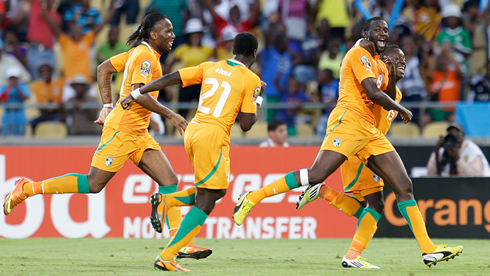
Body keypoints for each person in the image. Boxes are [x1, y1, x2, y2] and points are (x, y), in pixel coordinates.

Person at [232, 16, 463, 268]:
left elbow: (384, 94)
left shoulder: (378, 64)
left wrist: (393, 78)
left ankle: (428, 249)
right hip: (349, 121)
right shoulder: (358, 54)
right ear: (366, 33)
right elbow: (375, 94)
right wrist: (403, 110)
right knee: (318, 174)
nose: (383, 33)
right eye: (377, 30)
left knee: (402, 185)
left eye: (386, 30)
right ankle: (253, 197)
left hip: (370, 132)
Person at [3, 12, 209, 261]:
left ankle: (179, 244)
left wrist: (107, 105)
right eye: (168, 31)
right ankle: (27, 188)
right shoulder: (145, 56)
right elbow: (139, 93)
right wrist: (171, 115)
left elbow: (104, 69)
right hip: (122, 131)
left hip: (138, 132)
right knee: (94, 184)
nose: (173, 35)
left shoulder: (139, 53)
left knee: (169, 180)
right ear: (154, 34)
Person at [119, 32, 264, 272]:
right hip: (213, 134)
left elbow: (172, 78)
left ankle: (168, 201)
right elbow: (247, 124)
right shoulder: (252, 79)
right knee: (207, 202)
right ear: (254, 54)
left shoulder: (210, 66)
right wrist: (258, 98)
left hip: (193, 129)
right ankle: (167, 255)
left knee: (215, 192)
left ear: (232, 51)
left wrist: (136, 93)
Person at [297, 45, 405, 268]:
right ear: (383, 62)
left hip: (370, 146)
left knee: (367, 206)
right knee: (375, 205)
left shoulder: (396, 94)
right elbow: (371, 103)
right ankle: (353, 255)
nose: (400, 64)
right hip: (364, 147)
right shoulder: (374, 88)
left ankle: (323, 192)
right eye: (395, 60)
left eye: (403, 61)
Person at [0, 66, 30, 136]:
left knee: (19, 138)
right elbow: (1, 99)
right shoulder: (4, 87)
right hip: (7, 115)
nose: (13, 80)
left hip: (19, 115)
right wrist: (8, 88)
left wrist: (17, 87)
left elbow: (25, 98)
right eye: (11, 78)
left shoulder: (23, 86)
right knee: (6, 137)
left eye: (15, 78)